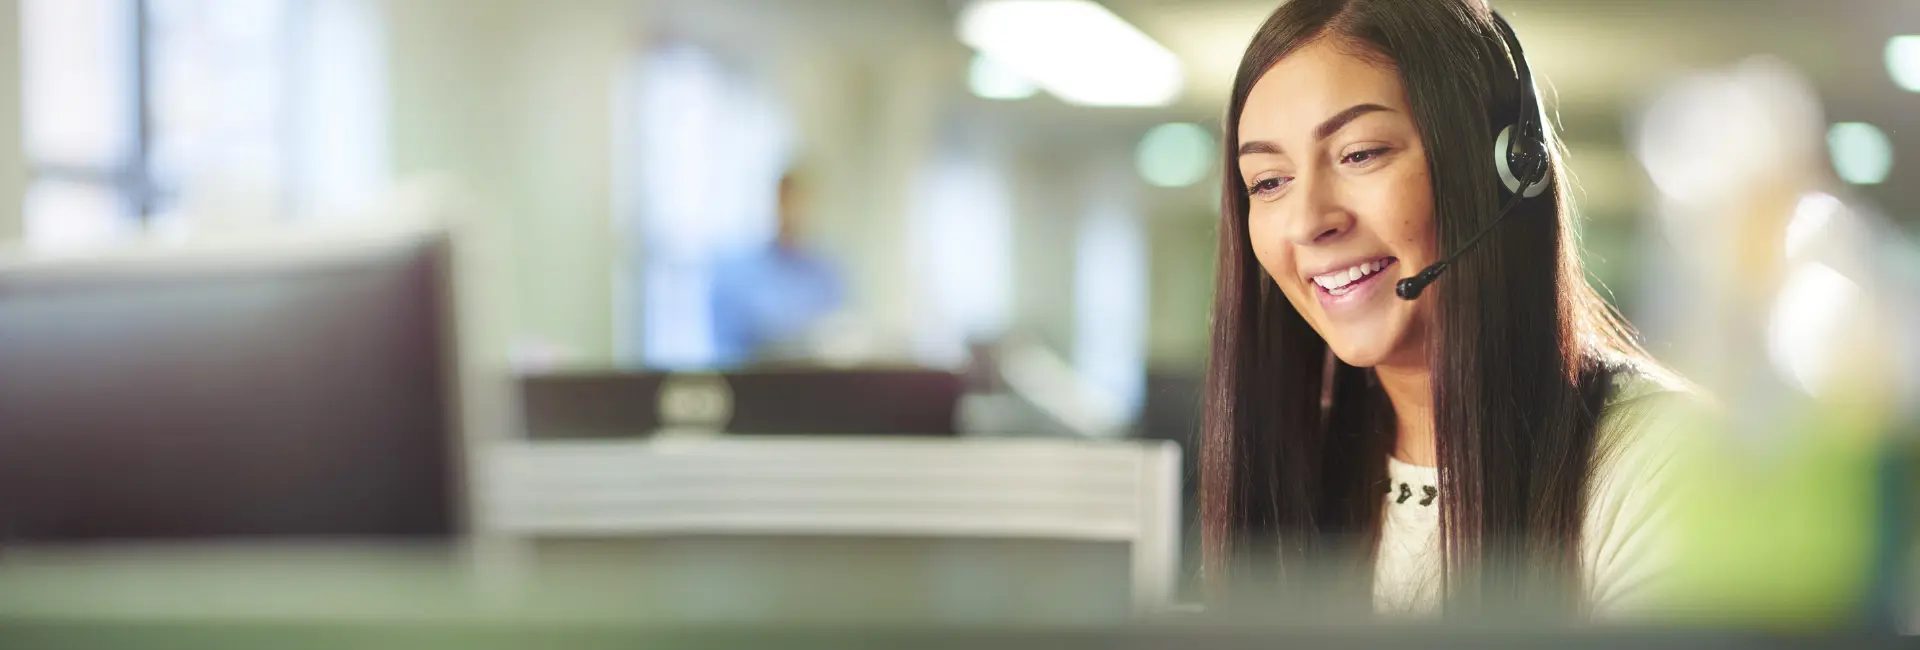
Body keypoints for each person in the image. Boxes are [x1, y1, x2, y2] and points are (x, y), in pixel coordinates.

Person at [1202, 0, 1703, 619]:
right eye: (1268, 181)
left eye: (1360, 154)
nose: (1308, 222)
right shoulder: (1300, 460)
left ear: (1505, 170)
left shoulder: (1665, 462)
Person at [708, 168, 846, 367]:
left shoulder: (828, 273)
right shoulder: (738, 273)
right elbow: (728, 348)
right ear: (776, 203)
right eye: (787, 201)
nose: (794, 212)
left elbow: (840, 336)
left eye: (801, 202)